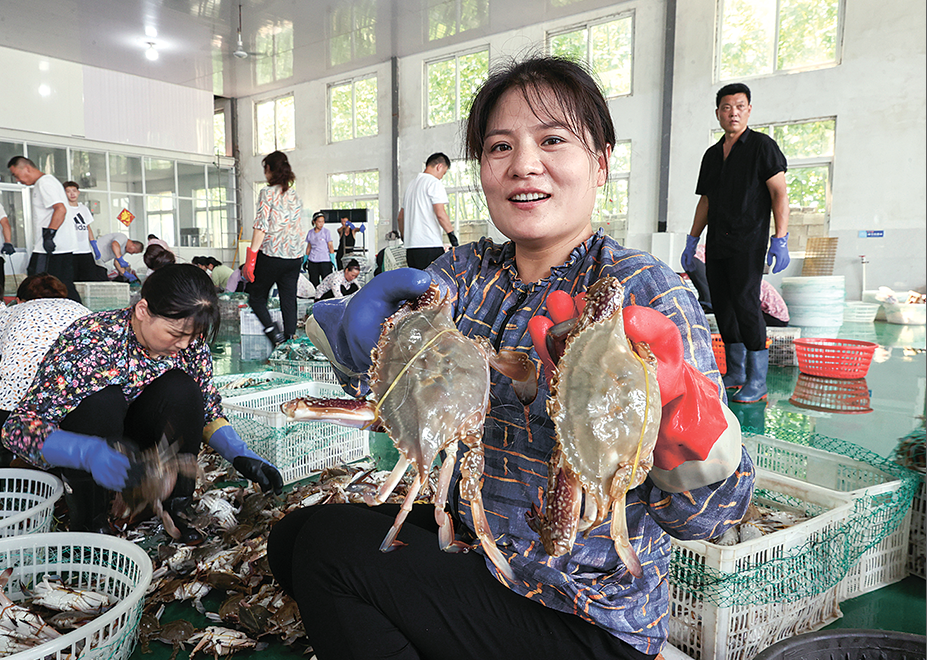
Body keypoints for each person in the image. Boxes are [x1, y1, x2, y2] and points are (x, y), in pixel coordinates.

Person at [273, 56, 754, 660]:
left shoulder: (643, 289)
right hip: (480, 555)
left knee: (331, 548)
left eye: (553, 140)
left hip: (582, 612)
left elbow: (715, 519)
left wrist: (682, 425)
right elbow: (398, 396)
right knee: (290, 537)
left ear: (601, 162)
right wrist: (360, 341)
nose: (524, 164)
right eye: (500, 147)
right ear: (481, 170)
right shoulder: (461, 275)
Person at [1, 264, 283, 540]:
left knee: (184, 388)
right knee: (103, 401)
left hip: (140, 455)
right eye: (175, 334)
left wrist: (241, 454)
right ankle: (91, 519)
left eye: (193, 335)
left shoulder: (190, 347)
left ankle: (176, 506)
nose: (185, 345)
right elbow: (17, 429)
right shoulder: (89, 342)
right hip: (88, 444)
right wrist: (88, 453)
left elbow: (207, 407)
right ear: (143, 311)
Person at [681, 83, 790, 404]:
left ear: (749, 110)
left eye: (740, 107)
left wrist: (780, 238)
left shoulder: (761, 147)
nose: (733, 113)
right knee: (723, 307)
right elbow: (706, 200)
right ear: (718, 112)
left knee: (745, 304)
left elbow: (779, 193)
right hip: (718, 243)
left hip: (749, 242)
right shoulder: (713, 155)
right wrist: (692, 239)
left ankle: (758, 380)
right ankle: (736, 372)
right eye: (727, 107)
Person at [0, 274, 89, 443]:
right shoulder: (83, 312)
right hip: (78, 413)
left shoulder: (5, 315)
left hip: (13, 417)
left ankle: (15, 446)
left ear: (19, 300)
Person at [243, 151, 306, 347]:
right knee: (289, 301)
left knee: (256, 297)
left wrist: (251, 258)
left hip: (272, 255)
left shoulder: (267, 193)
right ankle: (289, 345)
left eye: (265, 169)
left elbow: (261, 226)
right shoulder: (294, 195)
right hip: (295, 257)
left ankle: (274, 334)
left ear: (269, 169)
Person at [7, 156, 79, 302]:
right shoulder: (45, 182)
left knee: (39, 286)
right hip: (55, 247)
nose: (17, 180)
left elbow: (61, 209)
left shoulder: (45, 183)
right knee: (59, 286)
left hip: (52, 248)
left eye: (16, 175)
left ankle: (79, 318)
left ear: (26, 168)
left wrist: (49, 235)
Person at [684, 243, 789, 326]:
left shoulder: (754, 284)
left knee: (740, 316)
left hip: (777, 319)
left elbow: (751, 305)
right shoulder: (710, 255)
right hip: (697, 257)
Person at [397, 153, 458, 270]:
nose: (441, 177)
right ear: (439, 167)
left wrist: (405, 237)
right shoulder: (434, 183)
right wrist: (452, 237)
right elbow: (440, 213)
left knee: (417, 286)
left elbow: (400, 217)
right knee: (434, 286)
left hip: (411, 249)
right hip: (430, 246)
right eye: (443, 173)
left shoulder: (411, 185)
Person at [63, 181, 104, 283]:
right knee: (72, 279)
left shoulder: (84, 209)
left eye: (74, 191)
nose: (72, 194)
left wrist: (93, 244)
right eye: (68, 191)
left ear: (78, 192)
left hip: (85, 250)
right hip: (70, 250)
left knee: (90, 278)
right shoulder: (63, 209)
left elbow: (87, 227)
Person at [305, 211, 334, 288]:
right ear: (314, 222)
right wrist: (305, 259)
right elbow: (309, 246)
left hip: (325, 261)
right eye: (319, 222)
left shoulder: (326, 232)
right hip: (313, 261)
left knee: (327, 282)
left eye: (323, 222)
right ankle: (316, 299)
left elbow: (330, 246)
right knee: (314, 282)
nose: (321, 224)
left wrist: (333, 259)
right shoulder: (310, 232)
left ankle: (327, 299)